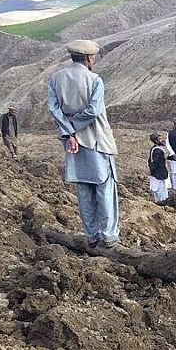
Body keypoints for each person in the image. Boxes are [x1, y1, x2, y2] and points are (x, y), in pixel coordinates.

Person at [47, 39, 120, 248]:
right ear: (88, 58)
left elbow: (54, 109)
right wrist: (76, 128)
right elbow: (94, 111)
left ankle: (91, 234)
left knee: (83, 188)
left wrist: (68, 132)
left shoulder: (55, 79)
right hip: (97, 141)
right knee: (104, 186)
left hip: (72, 143)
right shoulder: (95, 80)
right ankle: (108, 235)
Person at [147, 132, 169, 204]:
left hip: (157, 174)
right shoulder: (157, 150)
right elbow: (155, 163)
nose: (162, 140)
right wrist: (154, 173)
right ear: (156, 141)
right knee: (161, 192)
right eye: (160, 139)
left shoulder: (155, 149)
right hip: (158, 175)